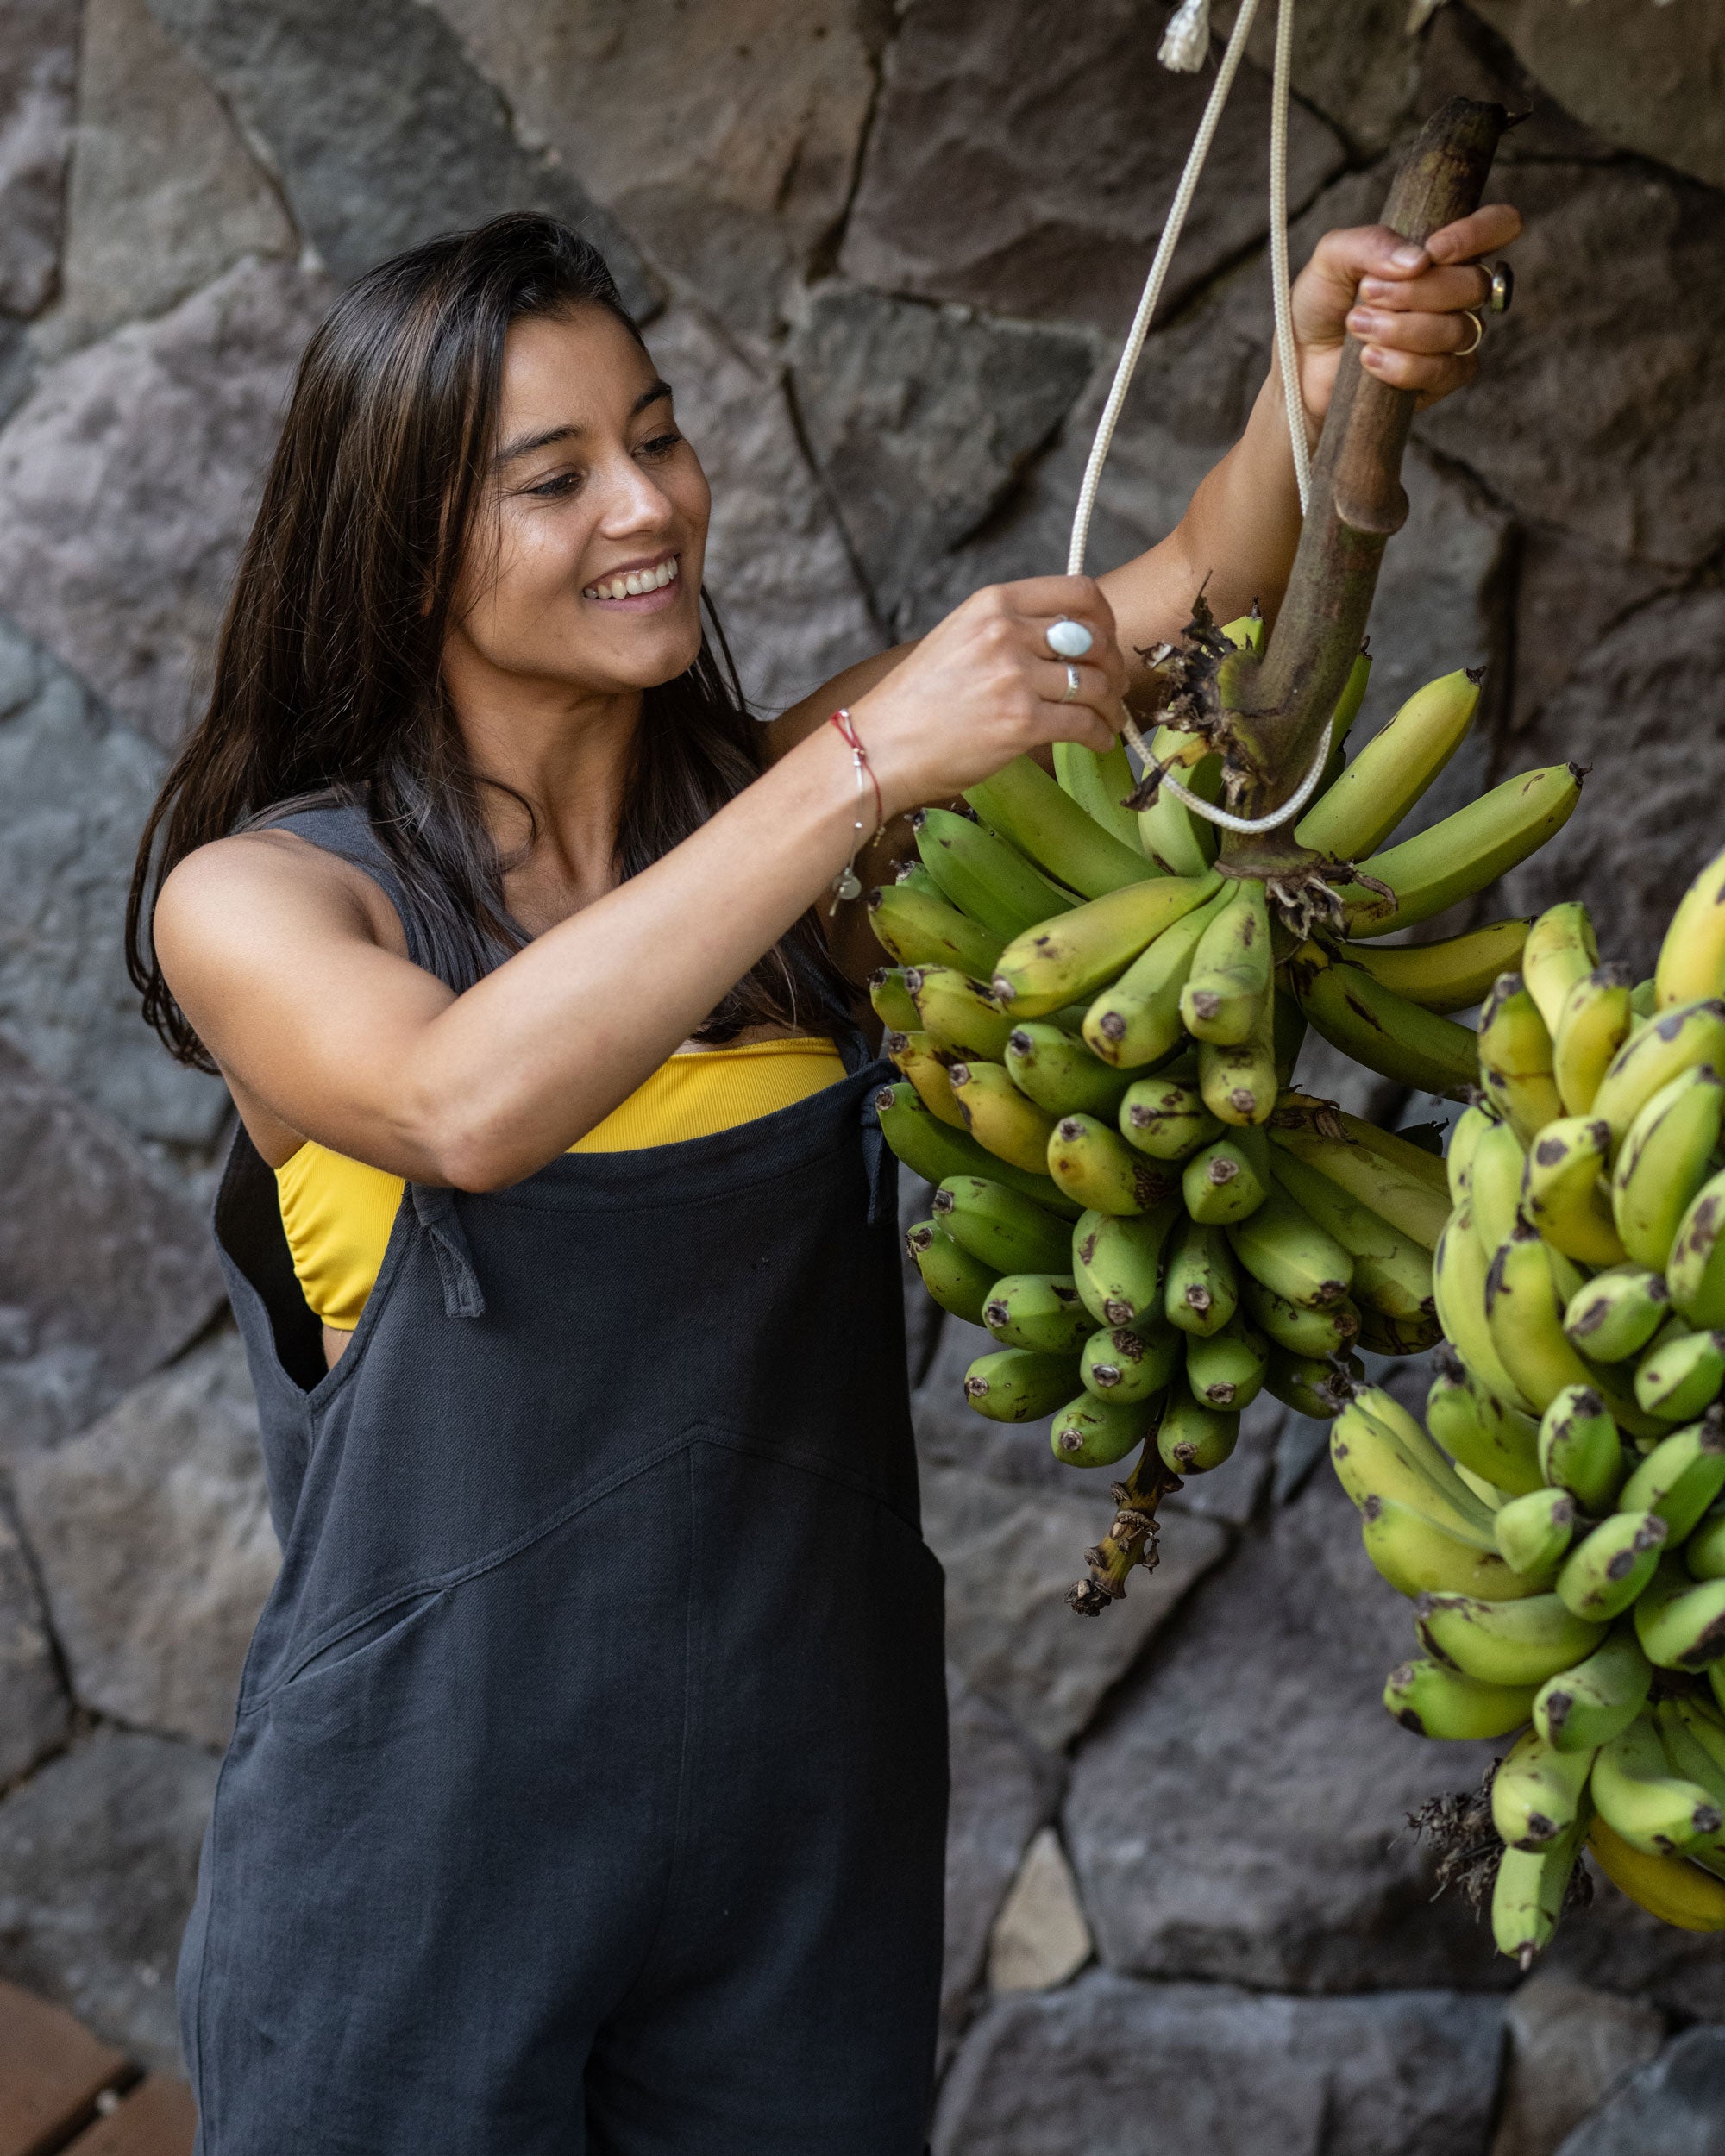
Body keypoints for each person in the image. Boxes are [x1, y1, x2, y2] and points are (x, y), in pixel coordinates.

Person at [130, 196, 1519, 2153]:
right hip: (418, 1848)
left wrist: (1314, 381)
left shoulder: (792, 848)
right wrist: (865, 763)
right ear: (405, 542)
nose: (649, 504)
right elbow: (463, 1102)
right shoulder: (269, 900)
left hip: (800, 1823)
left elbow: (1188, 585)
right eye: (556, 477)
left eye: (661, 433)